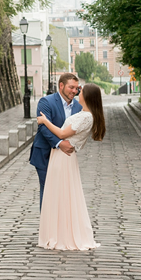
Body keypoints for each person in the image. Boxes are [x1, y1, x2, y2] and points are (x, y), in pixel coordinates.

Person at [36, 83, 106, 250]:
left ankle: (63, 235)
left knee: (62, 195)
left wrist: (45, 121)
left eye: (80, 91)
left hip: (64, 157)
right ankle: (60, 232)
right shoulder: (83, 113)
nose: (77, 93)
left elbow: (61, 134)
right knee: (60, 195)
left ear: (87, 96)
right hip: (61, 156)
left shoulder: (86, 117)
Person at [29, 73, 82, 209]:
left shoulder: (78, 107)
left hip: (65, 158)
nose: (74, 91)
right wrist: (60, 144)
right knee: (48, 190)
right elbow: (44, 128)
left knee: (62, 192)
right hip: (44, 154)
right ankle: (46, 227)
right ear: (61, 85)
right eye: (71, 87)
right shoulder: (46, 102)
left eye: (76, 88)